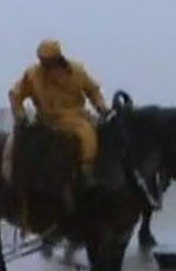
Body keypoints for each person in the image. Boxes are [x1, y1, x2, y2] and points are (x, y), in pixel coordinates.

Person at [8, 39, 111, 188]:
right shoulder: (33, 75)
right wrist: (20, 115)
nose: (45, 65)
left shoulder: (77, 71)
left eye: (48, 61)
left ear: (58, 59)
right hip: (45, 120)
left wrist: (101, 107)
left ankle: (86, 170)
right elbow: (15, 94)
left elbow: (93, 90)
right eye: (43, 61)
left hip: (76, 118)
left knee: (88, 133)